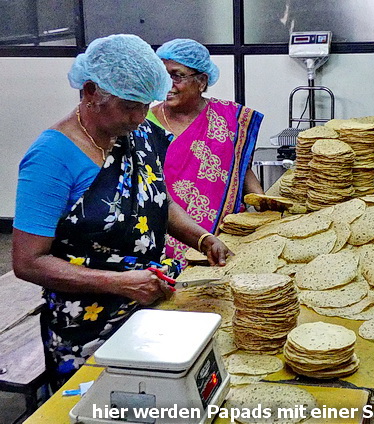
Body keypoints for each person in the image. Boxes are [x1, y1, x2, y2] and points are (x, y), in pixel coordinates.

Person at [12, 34, 230, 387]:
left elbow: (156, 201)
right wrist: (119, 283)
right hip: (87, 328)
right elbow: (27, 262)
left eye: (145, 105)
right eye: (129, 105)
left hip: (150, 308)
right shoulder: (52, 158)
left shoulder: (138, 134)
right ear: (89, 92)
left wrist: (202, 238)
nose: (140, 116)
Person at [147, 39, 264, 262]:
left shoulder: (230, 118)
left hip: (225, 241)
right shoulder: (143, 123)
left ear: (201, 81)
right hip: (162, 241)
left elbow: (240, 167)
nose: (167, 84)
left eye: (177, 75)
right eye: (162, 75)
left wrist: (263, 206)